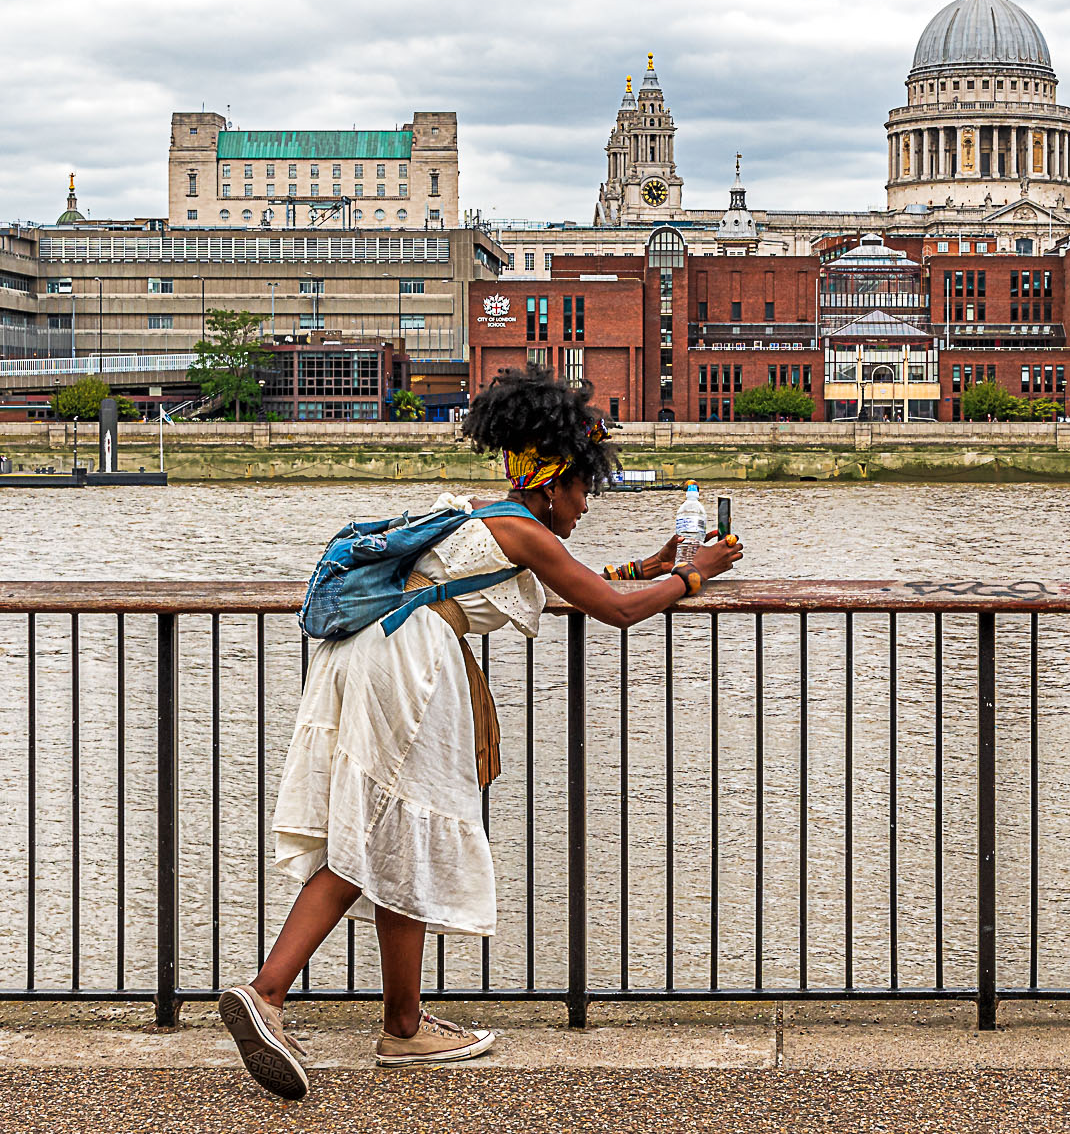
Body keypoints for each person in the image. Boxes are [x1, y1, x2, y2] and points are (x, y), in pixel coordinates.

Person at [219, 368, 742, 1101]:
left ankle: (404, 1025)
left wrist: (648, 566)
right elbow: (615, 612)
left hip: (372, 650)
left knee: (398, 827)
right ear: (553, 480)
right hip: (409, 661)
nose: (587, 503)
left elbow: (567, 580)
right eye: (585, 487)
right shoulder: (524, 530)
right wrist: (695, 575)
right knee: (372, 830)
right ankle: (267, 992)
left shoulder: (491, 520)